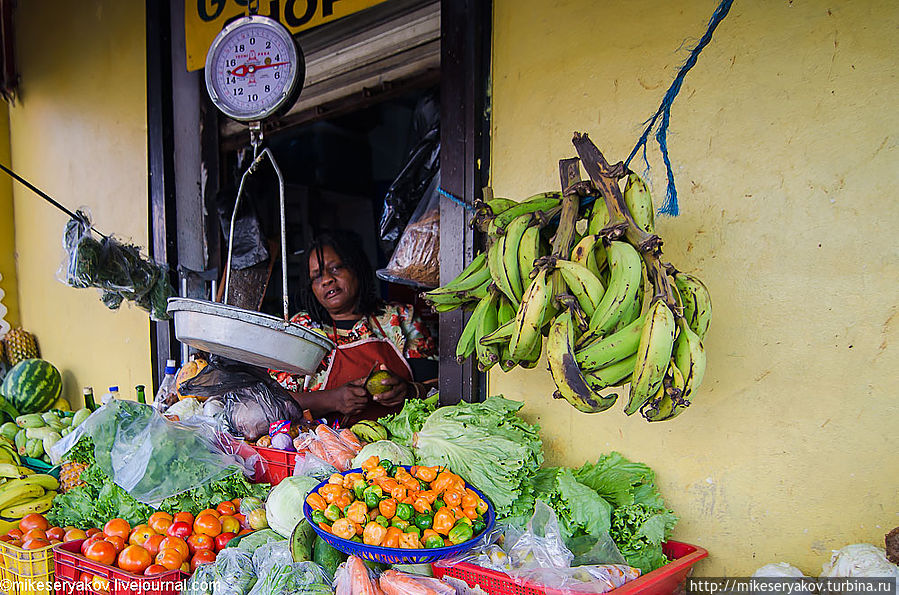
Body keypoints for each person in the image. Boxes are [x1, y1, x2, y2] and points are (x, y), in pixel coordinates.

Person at [270, 230, 437, 427]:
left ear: (356, 269)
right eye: (316, 276)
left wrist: (409, 391)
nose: (326, 280)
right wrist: (332, 399)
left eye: (335, 269)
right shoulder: (300, 330)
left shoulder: (399, 318)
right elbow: (273, 401)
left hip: (402, 445)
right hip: (325, 450)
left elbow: (441, 382)